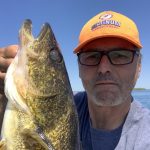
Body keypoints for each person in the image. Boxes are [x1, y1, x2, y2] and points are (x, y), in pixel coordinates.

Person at [0, 10, 150, 150]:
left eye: (120, 55)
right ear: (79, 67)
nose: (104, 68)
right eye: (92, 56)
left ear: (139, 66)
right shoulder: (64, 106)